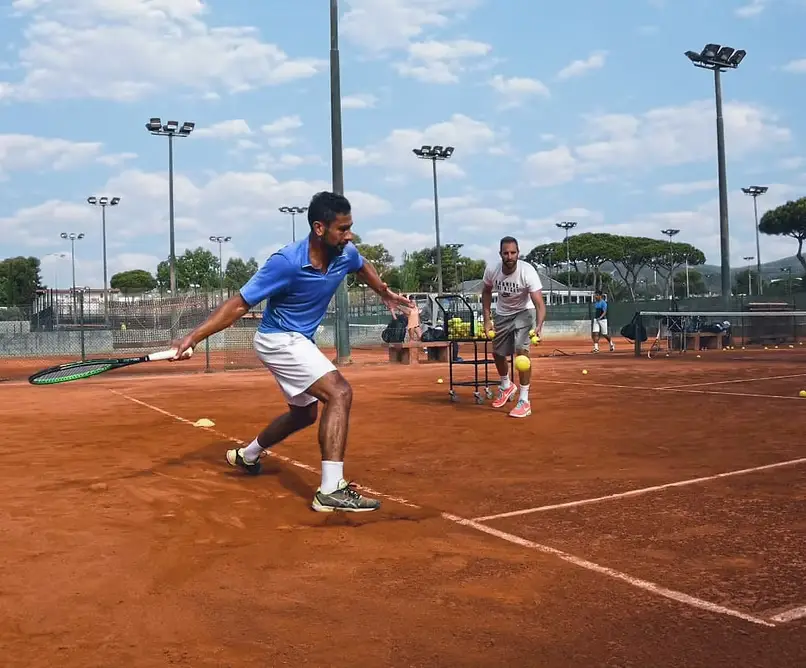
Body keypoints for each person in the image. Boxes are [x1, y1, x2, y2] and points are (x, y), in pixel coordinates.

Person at [170, 191, 414, 513]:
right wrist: (194, 337)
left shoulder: (345, 252)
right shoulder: (285, 263)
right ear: (319, 228)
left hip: (300, 340)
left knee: (305, 414)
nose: (349, 235)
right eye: (342, 229)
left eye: (350, 227)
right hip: (278, 339)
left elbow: (361, 265)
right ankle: (331, 488)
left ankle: (248, 455)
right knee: (339, 392)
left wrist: (382, 291)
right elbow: (240, 303)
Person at [481, 237, 546, 418]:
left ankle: (524, 400)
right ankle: (507, 385)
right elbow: (486, 292)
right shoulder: (492, 270)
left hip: (524, 313)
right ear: (500, 254)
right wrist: (487, 320)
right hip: (502, 314)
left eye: (513, 253)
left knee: (521, 351)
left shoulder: (528, 272)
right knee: (498, 353)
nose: (509, 256)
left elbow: (539, 304)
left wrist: (539, 326)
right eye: (506, 253)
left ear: (518, 253)